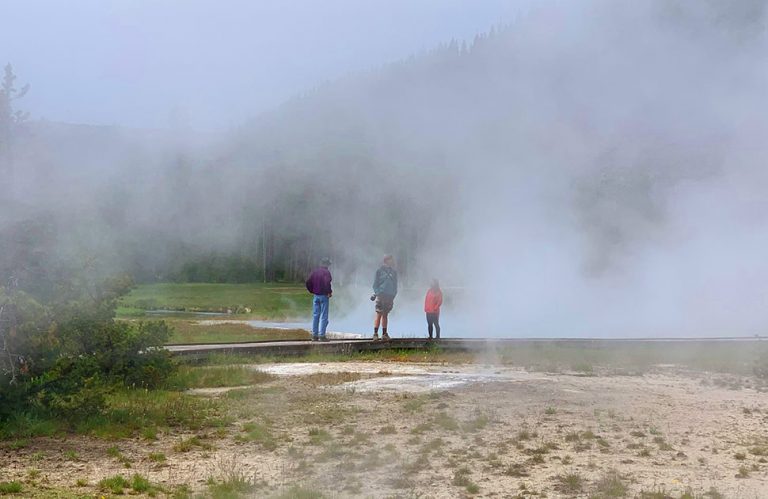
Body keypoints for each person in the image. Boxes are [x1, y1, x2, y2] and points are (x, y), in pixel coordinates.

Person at [305, 257, 332, 341]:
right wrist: (329, 291)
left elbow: (308, 282)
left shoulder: (315, 271)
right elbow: (327, 282)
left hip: (316, 296)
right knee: (324, 316)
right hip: (324, 296)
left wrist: (312, 290)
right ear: (327, 264)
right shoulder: (326, 272)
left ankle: (314, 335)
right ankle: (322, 335)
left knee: (315, 315)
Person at [371, 254, 397, 340]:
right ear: (386, 260)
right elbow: (375, 285)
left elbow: (395, 285)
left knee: (385, 314)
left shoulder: (393, 272)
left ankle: (384, 334)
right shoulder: (379, 271)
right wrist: (378, 293)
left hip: (389, 296)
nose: (392, 261)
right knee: (379, 314)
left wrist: (393, 294)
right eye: (390, 259)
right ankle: (375, 334)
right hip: (381, 295)